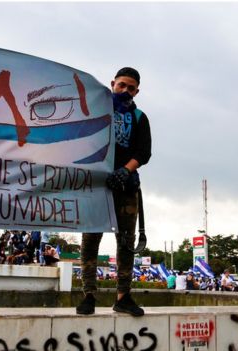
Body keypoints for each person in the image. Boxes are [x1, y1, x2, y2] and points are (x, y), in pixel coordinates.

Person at [76, 67, 152, 317]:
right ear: (112, 84)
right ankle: (88, 295)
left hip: (126, 186)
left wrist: (126, 171)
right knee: (90, 241)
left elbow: (143, 152)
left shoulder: (140, 117)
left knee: (126, 243)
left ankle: (123, 296)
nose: (125, 90)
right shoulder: (96, 109)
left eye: (131, 87)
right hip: (97, 184)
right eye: (122, 85)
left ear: (137, 91)